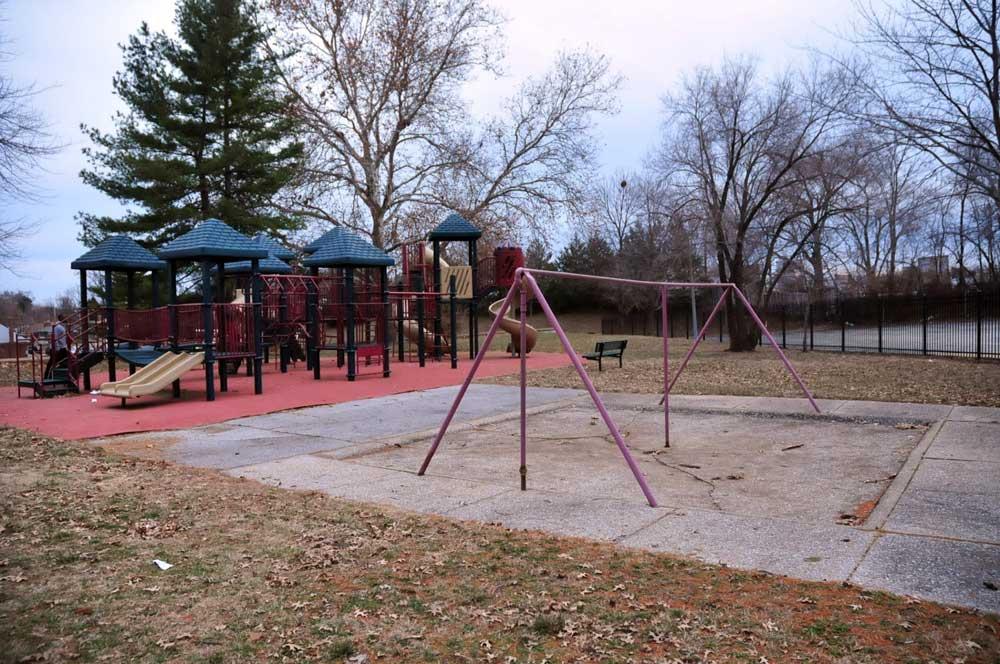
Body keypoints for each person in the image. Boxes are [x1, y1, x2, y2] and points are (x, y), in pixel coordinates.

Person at [44, 314, 70, 378]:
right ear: (61, 319)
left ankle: (55, 375)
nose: (66, 319)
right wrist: (57, 348)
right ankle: (47, 376)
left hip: (62, 348)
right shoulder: (58, 327)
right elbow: (55, 338)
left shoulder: (61, 326)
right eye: (64, 318)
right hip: (58, 348)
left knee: (64, 360)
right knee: (52, 363)